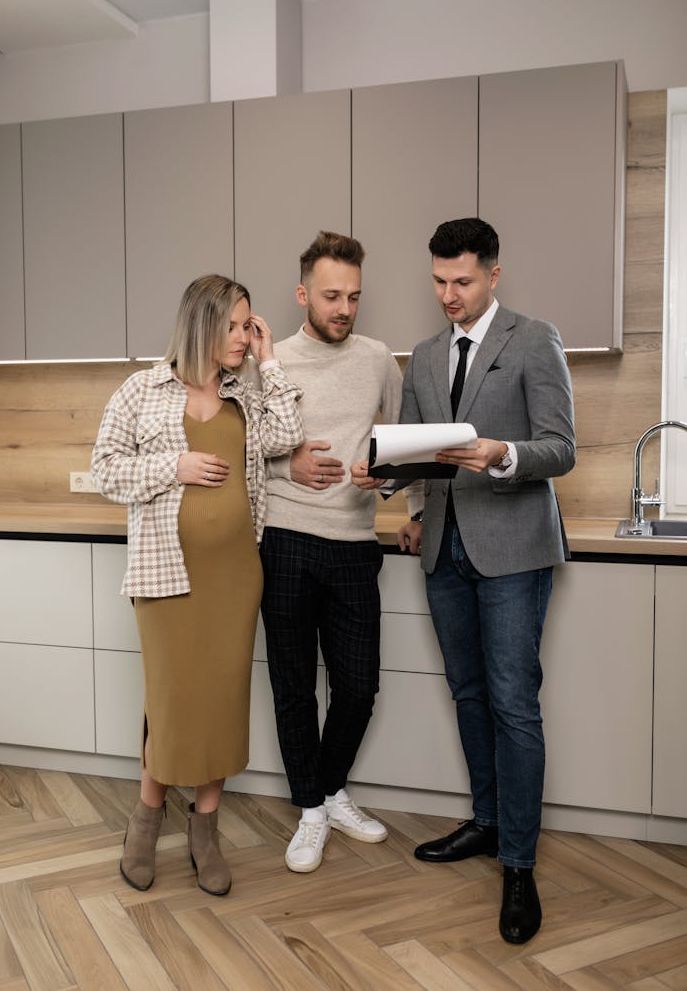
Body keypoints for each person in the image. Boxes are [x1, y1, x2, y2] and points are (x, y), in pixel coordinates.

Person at [356, 217, 575, 944]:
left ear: (493, 276)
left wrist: (502, 453)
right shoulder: (420, 357)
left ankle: (519, 863)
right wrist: (391, 484)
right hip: (443, 549)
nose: (449, 295)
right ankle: (486, 822)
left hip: (512, 547)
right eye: (439, 282)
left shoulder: (533, 339)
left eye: (463, 281)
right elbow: (417, 453)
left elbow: (561, 449)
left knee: (514, 702)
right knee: (470, 693)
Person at [90, 274, 304, 896]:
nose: (242, 337)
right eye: (235, 327)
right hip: (164, 576)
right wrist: (174, 466)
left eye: (248, 326)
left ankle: (205, 828)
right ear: (202, 324)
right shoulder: (142, 390)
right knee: (173, 701)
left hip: (236, 576)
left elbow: (287, 437)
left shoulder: (249, 391)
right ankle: (146, 820)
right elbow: (105, 469)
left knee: (222, 698)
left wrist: (271, 359)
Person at [260, 230, 408, 874]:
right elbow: (242, 454)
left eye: (353, 296)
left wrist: (391, 479)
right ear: (302, 295)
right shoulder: (267, 362)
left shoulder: (378, 360)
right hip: (286, 542)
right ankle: (313, 809)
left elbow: (404, 449)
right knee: (293, 686)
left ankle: (326, 787)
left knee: (357, 686)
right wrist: (285, 464)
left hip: (354, 546)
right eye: (331, 296)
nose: (344, 308)